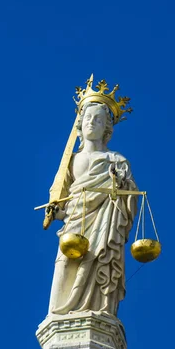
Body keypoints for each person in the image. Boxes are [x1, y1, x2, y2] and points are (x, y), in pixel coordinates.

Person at [48, 101, 138, 316]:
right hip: (75, 222)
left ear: (106, 127)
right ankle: (58, 312)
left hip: (105, 220)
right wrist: (55, 213)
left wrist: (119, 184)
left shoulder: (116, 160)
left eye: (98, 119)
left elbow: (129, 197)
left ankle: (100, 308)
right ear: (79, 124)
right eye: (88, 118)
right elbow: (64, 200)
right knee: (65, 263)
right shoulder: (71, 160)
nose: (92, 122)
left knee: (100, 260)